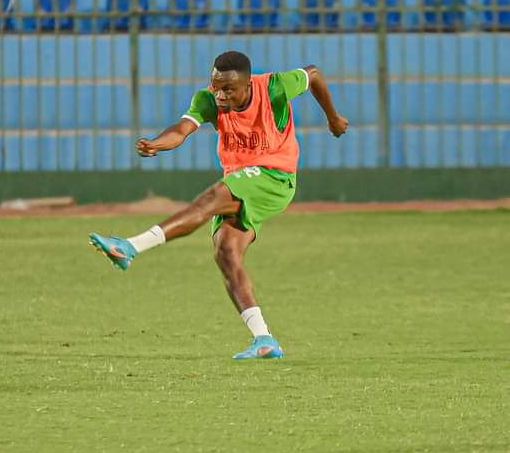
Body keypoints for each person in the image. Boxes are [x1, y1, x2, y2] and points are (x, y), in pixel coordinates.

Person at [89, 51, 349, 359]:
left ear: (248, 85)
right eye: (216, 87)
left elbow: (314, 73)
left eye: (228, 89)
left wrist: (333, 118)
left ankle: (130, 247)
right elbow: (182, 130)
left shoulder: (275, 87)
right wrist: (157, 143)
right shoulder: (208, 100)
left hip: (276, 176)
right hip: (242, 180)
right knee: (226, 252)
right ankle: (264, 340)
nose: (220, 95)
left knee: (211, 199)